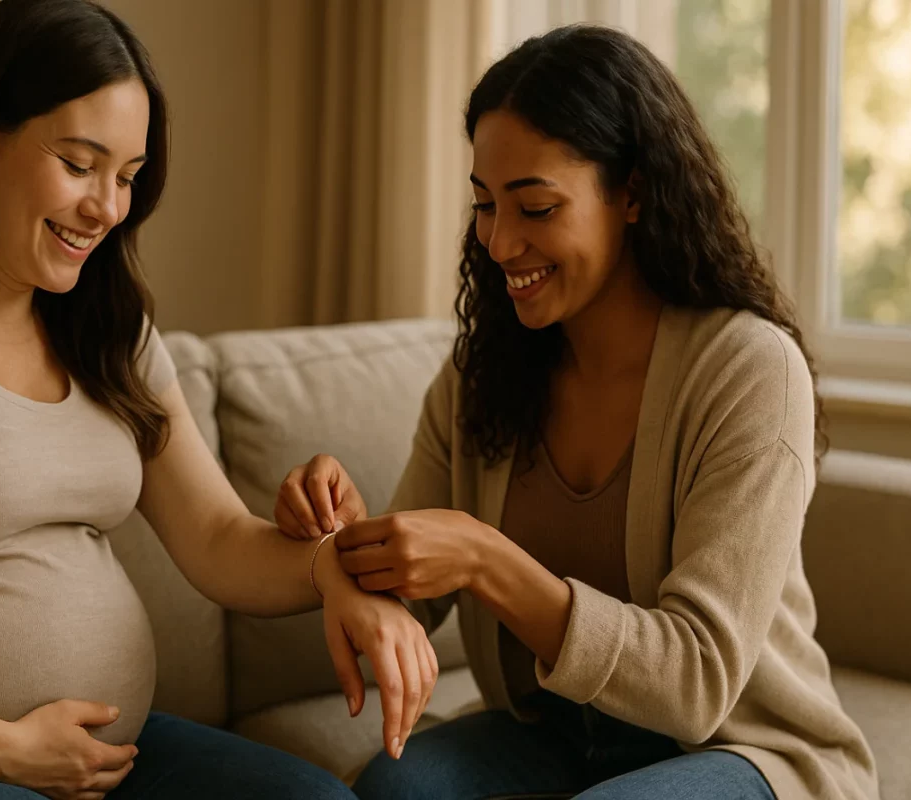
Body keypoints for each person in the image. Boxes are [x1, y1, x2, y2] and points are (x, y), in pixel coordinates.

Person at [0, 2, 437, 798]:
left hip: (95, 763)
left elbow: (217, 540)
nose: (106, 207)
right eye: (78, 163)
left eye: (128, 178)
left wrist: (331, 565)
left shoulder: (109, 332)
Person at [276, 25, 878, 800]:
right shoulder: (482, 374)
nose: (498, 243)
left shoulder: (748, 371)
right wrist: (347, 543)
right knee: (398, 788)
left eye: (535, 206)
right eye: (486, 206)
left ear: (632, 192)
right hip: (549, 729)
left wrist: (486, 560)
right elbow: (408, 608)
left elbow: (696, 684)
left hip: (741, 747)